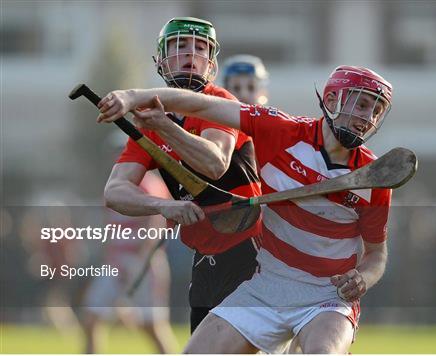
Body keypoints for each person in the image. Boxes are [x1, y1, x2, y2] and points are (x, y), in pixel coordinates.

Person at [97, 65, 394, 354]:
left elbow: (376, 255)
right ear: (331, 100)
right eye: (362, 105)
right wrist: (133, 96)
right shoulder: (284, 132)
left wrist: (363, 278)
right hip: (267, 285)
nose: (366, 118)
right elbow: (203, 105)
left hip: (329, 296)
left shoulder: (375, 177)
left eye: (376, 111)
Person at [101, 17, 262, 334]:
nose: (191, 53)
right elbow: (115, 191)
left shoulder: (221, 104)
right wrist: (162, 206)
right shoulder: (149, 122)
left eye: (200, 47)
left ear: (211, 62)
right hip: (205, 258)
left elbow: (214, 163)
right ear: (161, 59)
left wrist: (165, 128)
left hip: (253, 251)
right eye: (180, 45)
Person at [82, 171, 177, 354]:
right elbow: (109, 228)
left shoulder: (150, 185)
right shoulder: (113, 186)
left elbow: (154, 227)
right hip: (115, 263)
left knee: (152, 326)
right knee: (91, 317)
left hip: (144, 264)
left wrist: (138, 263)